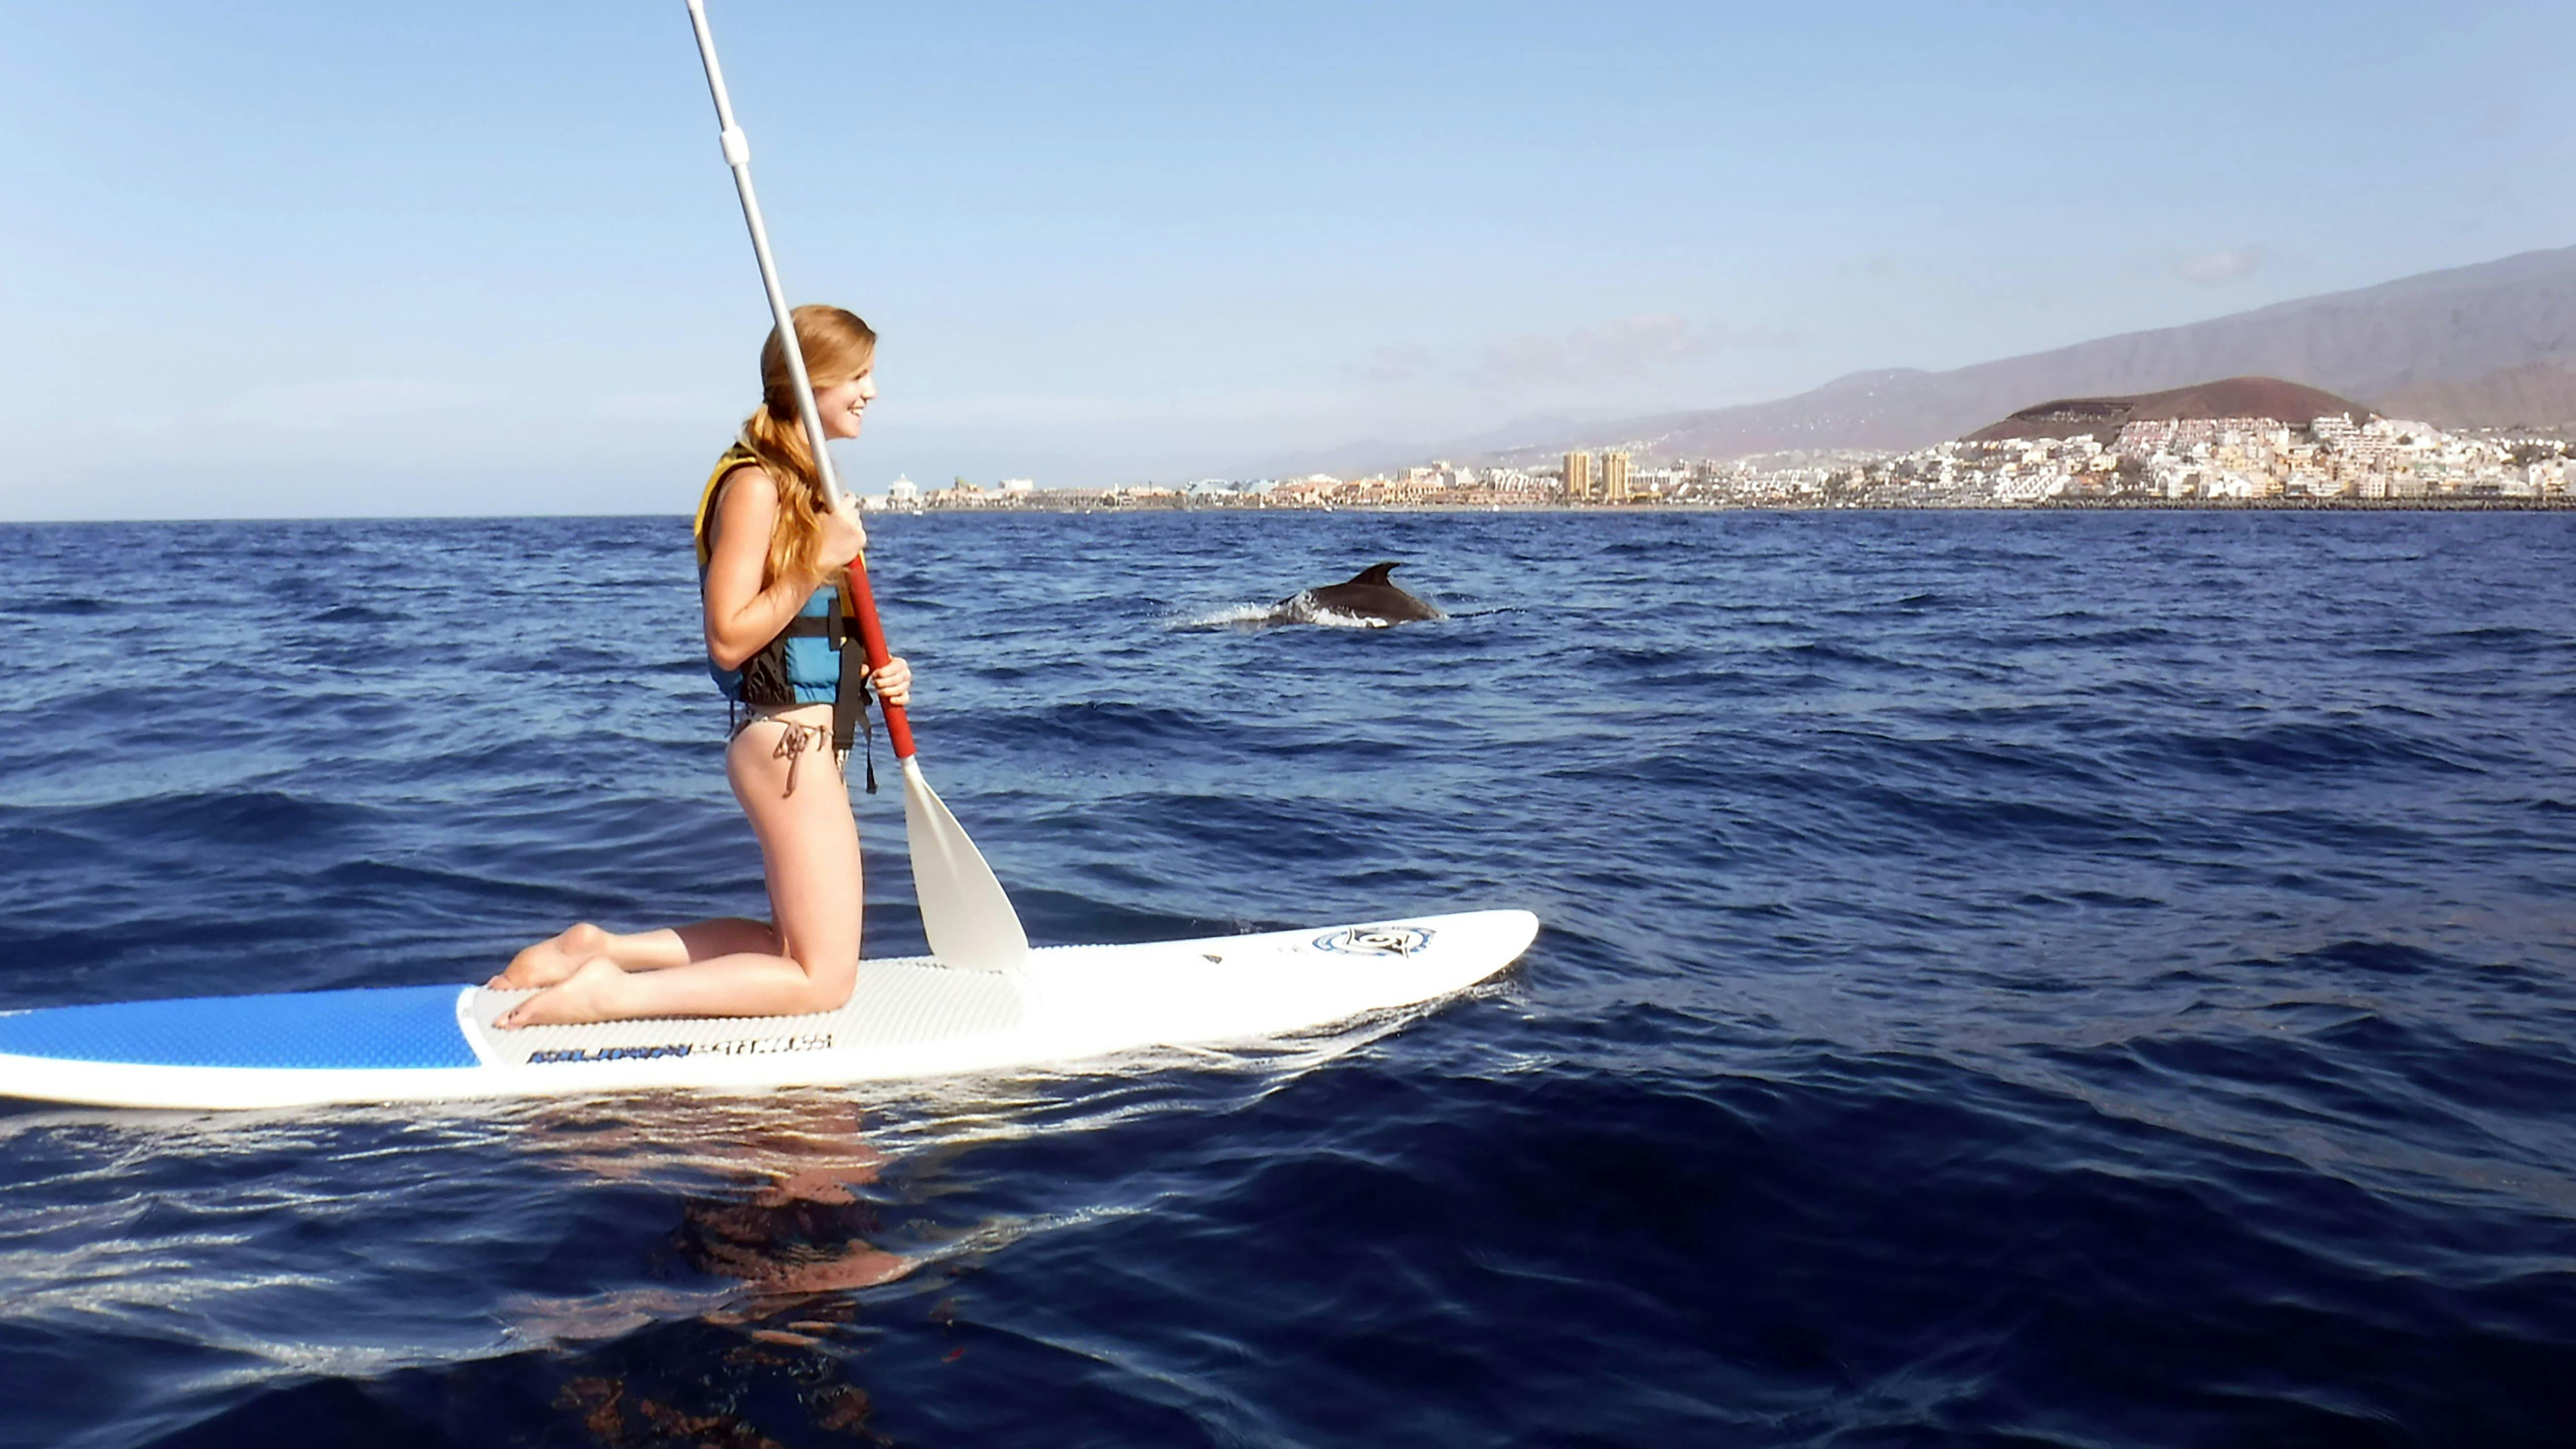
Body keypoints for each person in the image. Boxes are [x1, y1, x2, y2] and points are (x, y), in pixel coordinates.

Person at [490, 305, 909, 1029]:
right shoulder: (756, 486)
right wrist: (819, 559)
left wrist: (875, 675)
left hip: (808, 741)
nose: (872, 392)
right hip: (788, 749)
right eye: (858, 376)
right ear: (809, 386)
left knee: (786, 949)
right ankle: (610, 996)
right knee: (823, 980)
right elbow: (727, 637)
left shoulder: (806, 487)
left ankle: (596, 952)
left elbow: (798, 635)